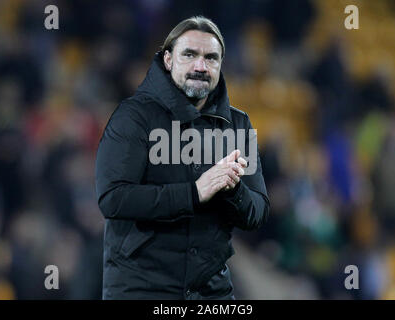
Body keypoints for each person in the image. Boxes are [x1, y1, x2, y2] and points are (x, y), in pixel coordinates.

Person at [95, 16, 269, 300]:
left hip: (211, 294)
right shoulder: (134, 117)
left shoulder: (238, 124)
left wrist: (233, 188)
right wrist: (194, 192)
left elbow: (258, 212)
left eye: (211, 58)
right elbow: (113, 198)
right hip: (142, 289)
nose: (200, 66)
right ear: (168, 60)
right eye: (189, 55)